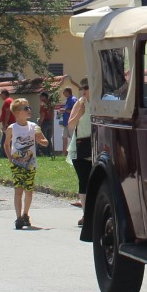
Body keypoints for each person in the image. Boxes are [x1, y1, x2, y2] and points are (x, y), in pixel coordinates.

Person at [5, 97, 46, 229]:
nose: (29, 110)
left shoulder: (34, 127)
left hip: (30, 163)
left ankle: (25, 214)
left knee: (29, 190)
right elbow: (6, 144)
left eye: (29, 108)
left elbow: (45, 142)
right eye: (26, 108)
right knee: (18, 190)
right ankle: (18, 218)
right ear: (17, 113)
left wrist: (39, 140)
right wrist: (9, 158)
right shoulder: (12, 128)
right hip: (17, 163)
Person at [68, 80, 93, 210]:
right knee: (84, 180)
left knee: (94, 182)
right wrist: (79, 113)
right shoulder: (80, 103)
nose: (85, 90)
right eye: (84, 88)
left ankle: (92, 213)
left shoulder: (100, 102)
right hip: (80, 146)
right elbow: (70, 125)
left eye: (87, 87)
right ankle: (85, 214)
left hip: (97, 144)